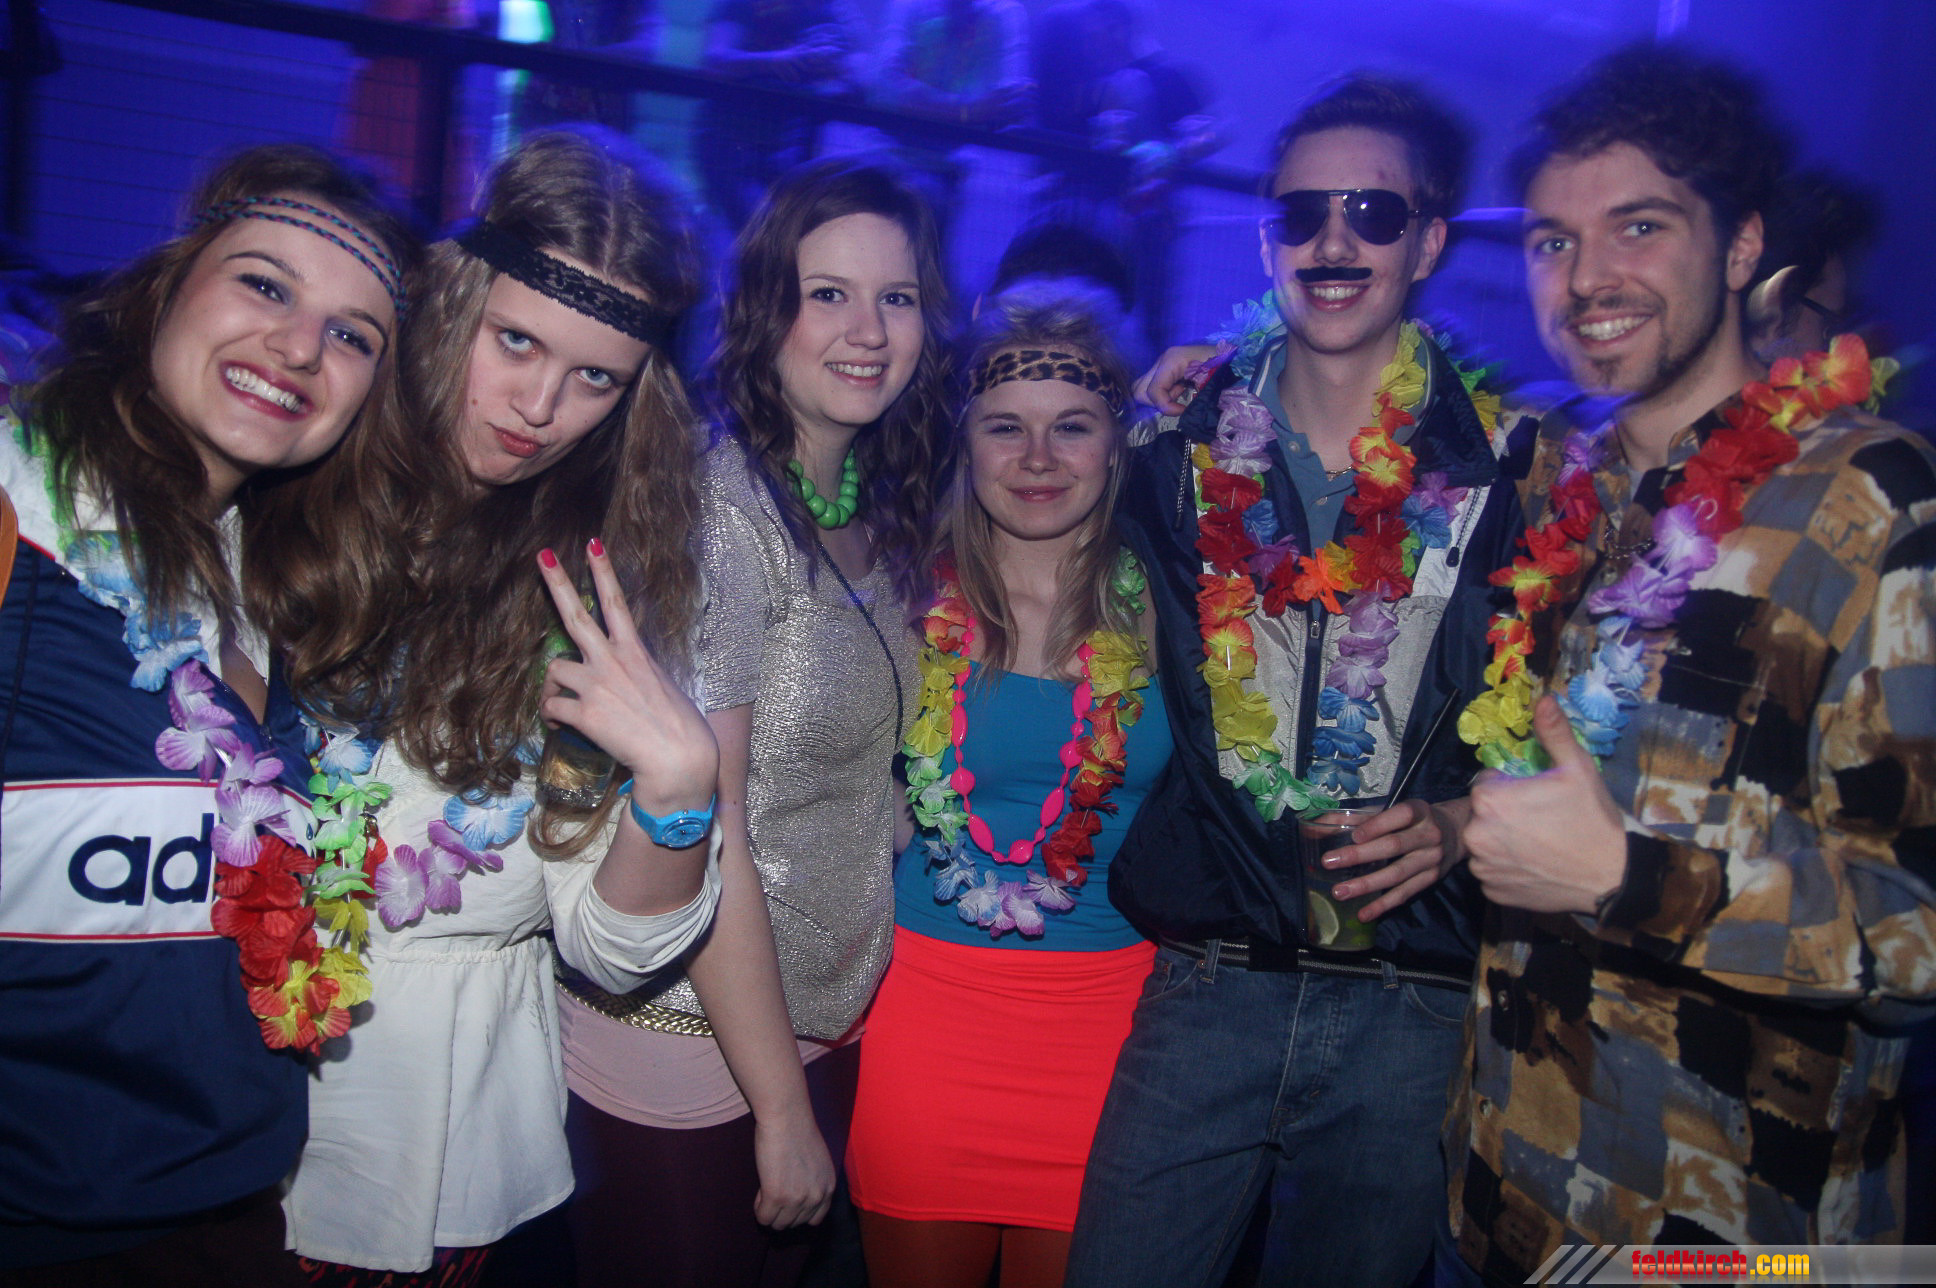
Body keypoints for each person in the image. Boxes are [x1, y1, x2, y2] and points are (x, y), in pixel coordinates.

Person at [1440, 45, 1936, 1284]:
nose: (1585, 278)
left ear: (1739, 246)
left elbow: (1919, 926)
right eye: (1552, 241)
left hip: (1725, 1231)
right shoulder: (1565, 483)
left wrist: (1628, 877)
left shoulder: (1873, 501)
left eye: (1639, 226)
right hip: (1503, 1200)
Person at [1062, 75, 1529, 1288]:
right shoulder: (1169, 453)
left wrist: (1462, 821)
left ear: (1428, 242)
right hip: (1208, 985)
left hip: (1410, 1009)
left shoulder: (1510, 473)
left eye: (1373, 213)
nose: (1333, 241)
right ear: (1268, 238)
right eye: (1302, 213)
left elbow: (1583, 722)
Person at [278, 127, 724, 1285]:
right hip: (235, 1125)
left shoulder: (594, 589)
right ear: (451, 304)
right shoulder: (289, 491)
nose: (539, 405)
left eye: (596, 379)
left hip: (466, 1156)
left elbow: (608, 948)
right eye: (515, 341)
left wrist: (678, 795)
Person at [0, 146, 414, 1280]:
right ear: (166, 284)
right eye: (265, 283)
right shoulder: (17, 520)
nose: (299, 347)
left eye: (353, 335)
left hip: (227, 1219)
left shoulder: (288, 598)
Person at [558, 157, 949, 1288]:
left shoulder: (870, 507)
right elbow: (713, 819)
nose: (867, 329)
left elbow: (862, 770)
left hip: (825, 1021)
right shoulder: (720, 511)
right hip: (693, 1041)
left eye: (897, 296)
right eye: (828, 294)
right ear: (765, 310)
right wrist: (780, 1110)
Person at [846, 297, 1173, 1288]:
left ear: (1118, 442)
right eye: (1005, 427)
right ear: (966, 443)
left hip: (1113, 1043)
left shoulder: (1184, 605)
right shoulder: (901, 595)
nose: (1037, 458)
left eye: (1071, 426)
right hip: (929, 1027)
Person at [693, 0, 859, 233]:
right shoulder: (741, 4)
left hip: (791, 150)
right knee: (762, 232)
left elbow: (856, 73)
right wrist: (778, 60)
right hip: (731, 141)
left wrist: (837, 73)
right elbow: (715, 59)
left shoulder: (825, 11)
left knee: (774, 234)